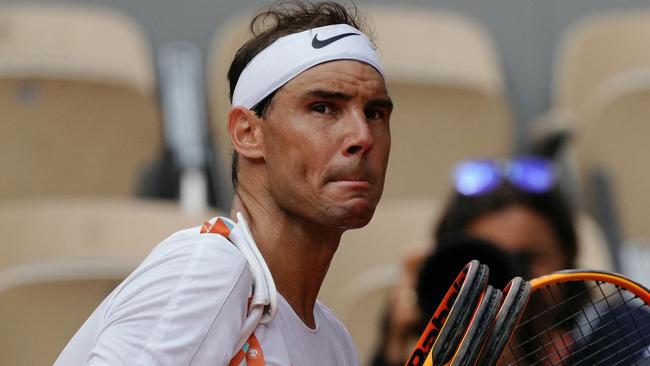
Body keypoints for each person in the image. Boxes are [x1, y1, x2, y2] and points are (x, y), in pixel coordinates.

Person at [55, 2, 392, 365]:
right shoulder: (210, 268)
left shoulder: (336, 345)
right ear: (247, 133)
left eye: (374, 113)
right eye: (323, 107)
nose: (361, 136)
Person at [371, 156, 579, 366]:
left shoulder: (605, 340)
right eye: (487, 264)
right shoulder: (430, 354)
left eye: (526, 258)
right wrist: (395, 346)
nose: (512, 280)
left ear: (568, 258)